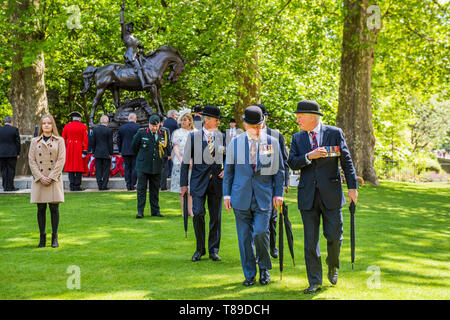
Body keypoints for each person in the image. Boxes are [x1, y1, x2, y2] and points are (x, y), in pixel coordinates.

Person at [287, 100, 358, 294]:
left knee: (334, 235)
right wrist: (309, 156)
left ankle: (332, 264)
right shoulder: (297, 138)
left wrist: (352, 187)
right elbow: (292, 162)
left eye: (300, 116)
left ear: (313, 117)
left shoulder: (334, 133)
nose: (297, 119)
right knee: (310, 242)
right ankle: (315, 281)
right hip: (307, 196)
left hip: (332, 194)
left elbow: (347, 161)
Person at [223, 105, 285, 286]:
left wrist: (278, 193)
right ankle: (249, 273)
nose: (257, 130)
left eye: (259, 126)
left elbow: (279, 171)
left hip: (263, 197)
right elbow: (229, 172)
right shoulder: (235, 143)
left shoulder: (271, 143)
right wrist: (226, 195)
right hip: (240, 196)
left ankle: (264, 269)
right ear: (244, 125)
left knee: (260, 233)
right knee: (244, 239)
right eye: (253, 126)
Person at [180, 105, 225, 262]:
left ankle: (214, 249)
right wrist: (183, 184)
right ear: (207, 120)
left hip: (217, 183)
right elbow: (185, 162)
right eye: (216, 120)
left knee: (216, 217)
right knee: (198, 213)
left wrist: (226, 170)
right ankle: (200, 249)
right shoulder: (193, 137)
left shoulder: (222, 137)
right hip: (198, 182)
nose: (219, 122)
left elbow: (230, 158)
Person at [255, 104, 290, 259]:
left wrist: (284, 182)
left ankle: (273, 245)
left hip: (271, 183)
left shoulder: (275, 136)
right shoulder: (245, 136)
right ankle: (258, 250)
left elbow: (284, 161)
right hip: (253, 184)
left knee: (272, 217)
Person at [28, 114, 66, 248]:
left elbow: (61, 160)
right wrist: (40, 176)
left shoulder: (59, 140)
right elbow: (31, 160)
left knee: (54, 208)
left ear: (53, 125)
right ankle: (42, 237)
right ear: (41, 125)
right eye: (44, 123)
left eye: (49, 123)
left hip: (54, 179)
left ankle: (54, 237)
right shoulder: (34, 141)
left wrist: (51, 176)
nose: (46, 125)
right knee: (41, 208)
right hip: (39, 179)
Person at [132, 115, 169, 218]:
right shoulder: (142, 133)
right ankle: (140, 211)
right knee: (141, 190)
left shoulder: (163, 134)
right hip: (143, 166)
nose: (155, 128)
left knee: (155, 190)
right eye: (153, 126)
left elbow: (166, 149)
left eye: (156, 126)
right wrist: (142, 157)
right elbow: (134, 147)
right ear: (149, 124)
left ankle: (155, 211)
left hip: (156, 165)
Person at [170, 110, 196, 217]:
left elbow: (198, 149)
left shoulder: (195, 132)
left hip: (193, 163)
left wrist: (193, 160)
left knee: (191, 189)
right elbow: (176, 148)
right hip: (180, 163)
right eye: (182, 120)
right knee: (182, 189)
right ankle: (183, 211)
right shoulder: (177, 133)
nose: (183, 122)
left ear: (190, 121)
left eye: (185, 120)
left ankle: (191, 210)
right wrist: (183, 161)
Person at [120, 3, 149, 90]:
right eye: (129, 26)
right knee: (139, 68)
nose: (131, 28)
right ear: (127, 27)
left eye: (132, 27)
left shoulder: (135, 38)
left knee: (147, 66)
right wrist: (122, 11)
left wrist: (141, 49)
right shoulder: (125, 36)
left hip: (138, 56)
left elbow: (141, 46)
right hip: (130, 56)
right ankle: (143, 85)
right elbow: (122, 23)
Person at [62, 111, 88, 191]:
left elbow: (63, 138)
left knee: (71, 167)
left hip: (69, 148)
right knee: (79, 167)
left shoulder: (67, 126)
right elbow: (85, 140)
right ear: (79, 118)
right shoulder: (83, 126)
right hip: (79, 148)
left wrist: (64, 148)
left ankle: (72, 185)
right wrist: (85, 150)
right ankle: (77, 186)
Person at [117, 112, 140, 190]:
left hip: (125, 150)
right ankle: (133, 184)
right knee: (134, 167)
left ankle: (128, 184)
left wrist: (120, 150)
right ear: (135, 119)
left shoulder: (122, 127)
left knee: (127, 168)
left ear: (128, 118)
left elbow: (118, 140)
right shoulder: (138, 127)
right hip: (135, 151)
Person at [91, 115, 113, 190]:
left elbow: (93, 142)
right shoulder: (109, 130)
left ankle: (99, 185)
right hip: (106, 153)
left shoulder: (95, 130)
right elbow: (110, 143)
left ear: (100, 121)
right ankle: (104, 186)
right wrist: (111, 153)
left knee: (98, 170)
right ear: (107, 122)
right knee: (106, 170)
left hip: (97, 152)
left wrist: (93, 152)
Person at [0, 116, 21, 191]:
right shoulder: (14, 129)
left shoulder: (0, 130)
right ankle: (10, 187)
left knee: (3, 170)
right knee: (11, 170)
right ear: (11, 122)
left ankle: (5, 186)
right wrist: (18, 153)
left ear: (4, 122)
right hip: (12, 153)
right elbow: (17, 142)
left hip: (1, 153)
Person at [160, 110, 178, 190]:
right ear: (173, 115)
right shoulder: (175, 123)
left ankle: (167, 174)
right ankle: (171, 173)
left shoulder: (165, 122)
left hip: (164, 143)